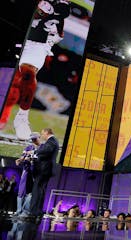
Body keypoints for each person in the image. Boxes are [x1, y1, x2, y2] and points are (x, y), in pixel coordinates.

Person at [0, 0, 70, 140]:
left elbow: (61, 20)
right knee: (10, 85)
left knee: (26, 77)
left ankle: (21, 117)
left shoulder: (57, 13)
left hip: (36, 44)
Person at [20, 128, 59, 220]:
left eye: (42, 134)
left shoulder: (52, 141)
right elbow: (45, 154)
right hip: (45, 170)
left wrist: (33, 152)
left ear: (46, 133)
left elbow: (46, 150)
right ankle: (37, 211)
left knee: (37, 190)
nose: (42, 136)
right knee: (40, 190)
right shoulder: (51, 142)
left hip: (44, 170)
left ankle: (33, 212)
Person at [13, 132, 41, 216]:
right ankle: (18, 211)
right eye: (32, 139)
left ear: (39, 138)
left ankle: (25, 211)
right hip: (26, 170)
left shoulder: (42, 148)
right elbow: (23, 156)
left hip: (35, 171)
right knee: (21, 191)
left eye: (35, 138)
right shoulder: (29, 147)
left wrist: (32, 157)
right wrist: (20, 160)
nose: (33, 140)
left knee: (31, 192)